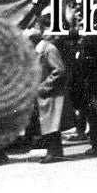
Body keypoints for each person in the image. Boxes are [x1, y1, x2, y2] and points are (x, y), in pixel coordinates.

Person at [30, 27, 68, 162]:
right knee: (49, 123)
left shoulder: (49, 49)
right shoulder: (40, 50)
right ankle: (54, 152)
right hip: (45, 93)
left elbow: (59, 70)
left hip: (51, 92)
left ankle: (55, 153)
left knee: (52, 123)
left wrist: (44, 86)